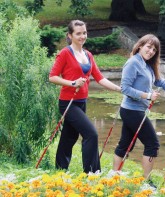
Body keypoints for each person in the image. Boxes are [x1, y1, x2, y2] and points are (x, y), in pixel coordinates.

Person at [113, 34, 165, 182]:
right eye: (149, 47)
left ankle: (114, 176)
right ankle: (147, 182)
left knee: (125, 145)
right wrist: (147, 96)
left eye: (154, 49)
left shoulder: (148, 66)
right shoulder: (133, 63)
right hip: (132, 111)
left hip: (135, 111)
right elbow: (125, 89)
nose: (151, 51)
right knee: (152, 144)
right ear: (140, 46)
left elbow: (162, 83)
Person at [49, 20, 121, 173]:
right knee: (91, 134)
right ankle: (91, 173)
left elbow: (100, 78)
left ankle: (60, 169)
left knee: (69, 136)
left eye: (84, 33)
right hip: (68, 102)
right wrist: (72, 83)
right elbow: (53, 77)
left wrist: (119, 89)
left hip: (82, 102)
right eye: (78, 33)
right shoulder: (65, 53)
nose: (82, 36)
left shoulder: (88, 54)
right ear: (70, 35)